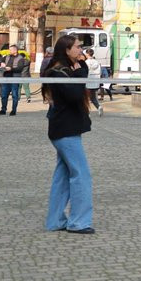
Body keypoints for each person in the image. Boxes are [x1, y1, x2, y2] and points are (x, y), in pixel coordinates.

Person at [42, 34, 94, 234]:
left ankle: (55, 221)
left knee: (62, 177)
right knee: (81, 175)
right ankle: (78, 222)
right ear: (66, 50)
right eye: (77, 47)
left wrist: (82, 68)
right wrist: (81, 72)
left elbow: (80, 79)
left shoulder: (67, 69)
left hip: (66, 129)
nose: (81, 50)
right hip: (64, 131)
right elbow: (74, 95)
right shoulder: (58, 72)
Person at [84, 48, 103, 113]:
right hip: (95, 82)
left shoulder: (86, 62)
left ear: (87, 54)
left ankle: (87, 112)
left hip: (88, 82)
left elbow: (85, 72)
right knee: (93, 97)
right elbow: (100, 72)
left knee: (85, 98)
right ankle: (99, 107)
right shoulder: (97, 62)